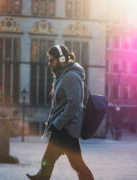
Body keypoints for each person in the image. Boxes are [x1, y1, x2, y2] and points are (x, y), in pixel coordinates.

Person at [27, 45, 94, 180]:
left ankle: (41, 178)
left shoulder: (70, 76)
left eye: (52, 60)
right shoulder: (64, 75)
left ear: (62, 59)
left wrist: (58, 123)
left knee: (75, 164)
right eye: (49, 60)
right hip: (64, 127)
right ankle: (41, 177)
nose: (49, 63)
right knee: (53, 160)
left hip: (65, 128)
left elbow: (74, 104)